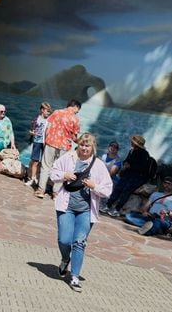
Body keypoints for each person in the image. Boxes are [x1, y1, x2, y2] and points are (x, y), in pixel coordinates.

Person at [49, 132, 113, 292]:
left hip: (86, 211)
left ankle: (75, 277)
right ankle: (65, 259)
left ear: (93, 147)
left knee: (79, 242)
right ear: (79, 145)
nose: (84, 148)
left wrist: (94, 186)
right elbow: (52, 173)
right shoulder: (68, 158)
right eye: (82, 145)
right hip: (66, 207)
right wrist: (65, 175)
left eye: (88, 145)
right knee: (64, 240)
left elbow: (108, 190)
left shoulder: (98, 165)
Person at [36, 99, 81, 199]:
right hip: (64, 146)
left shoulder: (56, 112)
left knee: (46, 166)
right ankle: (56, 193)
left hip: (51, 142)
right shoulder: (75, 119)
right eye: (78, 110)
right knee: (61, 169)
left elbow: (47, 127)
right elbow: (74, 137)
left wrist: (45, 141)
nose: (77, 112)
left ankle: (41, 190)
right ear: (75, 107)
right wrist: (79, 143)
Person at [104, 134, 152, 215]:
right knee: (119, 187)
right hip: (129, 173)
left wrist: (131, 166)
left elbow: (143, 168)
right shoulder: (132, 151)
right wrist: (125, 163)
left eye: (132, 141)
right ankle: (108, 205)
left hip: (138, 176)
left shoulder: (144, 154)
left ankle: (117, 209)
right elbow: (127, 160)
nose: (131, 142)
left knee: (127, 190)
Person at [25, 102, 51, 188]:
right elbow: (32, 129)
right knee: (35, 161)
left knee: (44, 162)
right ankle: (32, 179)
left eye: (49, 111)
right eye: (47, 111)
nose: (48, 113)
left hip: (45, 143)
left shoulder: (49, 120)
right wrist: (32, 133)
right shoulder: (37, 119)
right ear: (42, 110)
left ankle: (41, 180)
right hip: (36, 142)